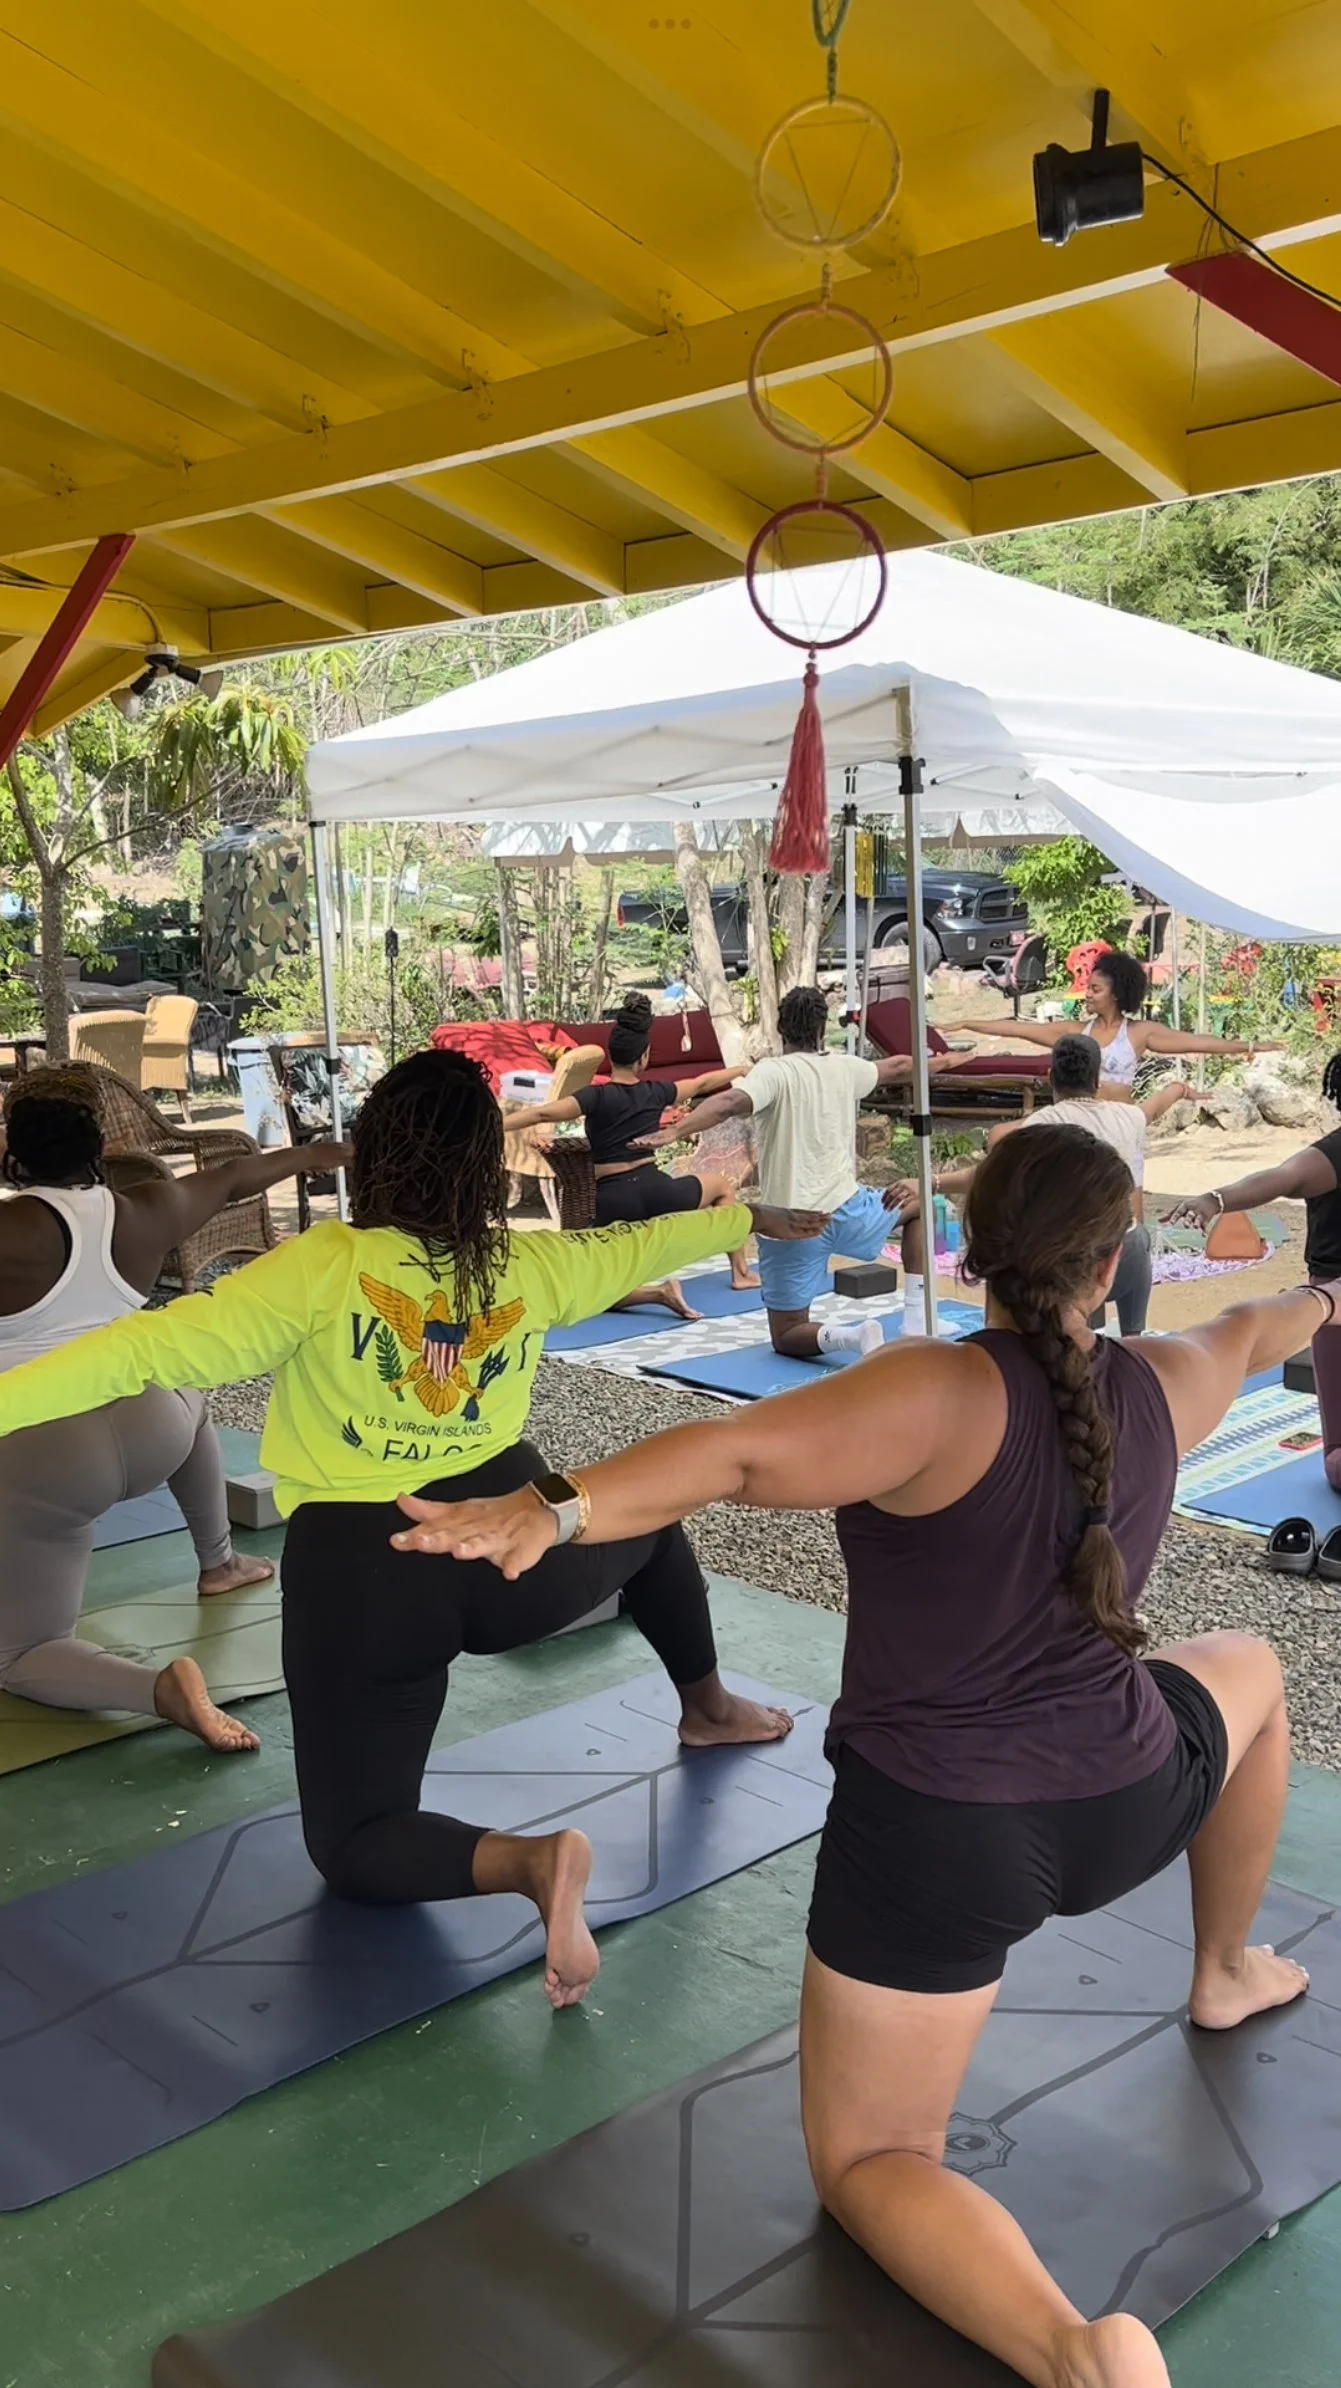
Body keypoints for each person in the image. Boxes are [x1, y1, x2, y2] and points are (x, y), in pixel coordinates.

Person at [395, 1122, 1328, 2388]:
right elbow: (1264, 1326)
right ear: (1111, 1265)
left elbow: (726, 1456)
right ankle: (1222, 1966)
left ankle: (1075, 2350)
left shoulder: (933, 1393)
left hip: (945, 1846)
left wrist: (544, 1509)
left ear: (973, 1247)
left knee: (876, 2161)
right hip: (1127, 1795)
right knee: (1255, 1670)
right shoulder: (1172, 1375)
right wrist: (1325, 1291)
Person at [0, 1048, 826, 2008]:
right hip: (518, 1542)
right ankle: (710, 1706)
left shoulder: (321, 1268)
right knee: (637, 1518)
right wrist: (750, 1219)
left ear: (372, 1158)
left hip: (370, 1572)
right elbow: (639, 1248)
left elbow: (139, 1350)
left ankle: (528, 1863)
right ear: (485, 1166)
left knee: (357, 1844)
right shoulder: (531, 1262)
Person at [0, 1064, 349, 1754]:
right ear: (98, 1152)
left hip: (45, 1456)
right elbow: (234, 1179)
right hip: (158, 1425)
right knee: (191, 1393)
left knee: (22, 1651)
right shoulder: (150, 1206)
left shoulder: (10, 1228)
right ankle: (219, 1562)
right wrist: (313, 1155)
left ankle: (155, 1690)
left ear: (14, 1154)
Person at [636, 984, 938, 1357]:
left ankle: (853, 1337)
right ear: (821, 1029)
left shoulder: (773, 1072)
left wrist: (676, 1130)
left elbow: (730, 1102)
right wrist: (949, 1061)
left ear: (781, 1029)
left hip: (790, 1223)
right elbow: (900, 1066)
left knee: (787, 1336)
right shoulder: (845, 1067)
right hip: (851, 1211)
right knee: (924, 1202)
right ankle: (915, 1318)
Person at [500, 993, 758, 1299]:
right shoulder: (656, 1091)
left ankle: (658, 1293)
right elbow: (702, 1083)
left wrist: (494, 1125)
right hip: (659, 1191)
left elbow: (542, 1112)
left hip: (614, 1200)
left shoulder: (595, 1097)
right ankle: (741, 1273)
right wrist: (739, 1070)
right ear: (643, 1058)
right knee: (722, 1188)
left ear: (612, 1055)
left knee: (594, 1286)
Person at [935, 1036, 1189, 1336]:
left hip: (1077, 1261)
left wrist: (934, 1182)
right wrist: (1180, 1088)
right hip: (1128, 1252)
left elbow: (989, 1169)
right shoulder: (1130, 1117)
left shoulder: (1037, 1127)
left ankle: (1078, 1337)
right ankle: (1134, 1334)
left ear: (1050, 1077)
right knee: (1135, 1237)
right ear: (1097, 1080)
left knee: (1067, 1275)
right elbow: (1155, 1106)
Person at [1169, 1050, 1341, 1485]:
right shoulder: (1334, 1154)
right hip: (1330, 1302)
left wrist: (1214, 1201)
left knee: (1337, 1460)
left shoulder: (1335, 1152)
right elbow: (1282, 1178)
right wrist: (1217, 1200)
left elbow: (1283, 1178)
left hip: (1331, 1302)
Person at [940, 946, 1281, 1093]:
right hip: (1084, 1125)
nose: (1087, 994)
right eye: (1088, 987)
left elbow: (1197, 1042)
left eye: (1095, 989)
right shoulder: (1076, 1031)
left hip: (1122, 1123)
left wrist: (1250, 1045)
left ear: (1116, 994)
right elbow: (1020, 1030)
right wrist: (970, 1023)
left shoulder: (1139, 1033)